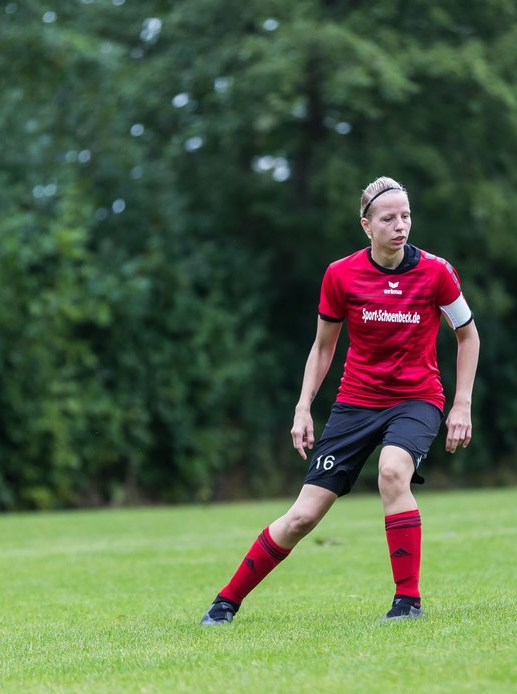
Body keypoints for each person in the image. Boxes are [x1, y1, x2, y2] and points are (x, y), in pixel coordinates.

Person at [199, 176, 480, 624]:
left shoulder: (436, 271)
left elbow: (467, 334)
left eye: (405, 216)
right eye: (388, 218)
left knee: (392, 472)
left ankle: (407, 602)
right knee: (303, 516)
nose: (400, 226)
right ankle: (225, 602)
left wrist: (461, 404)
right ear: (366, 225)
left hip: (416, 399)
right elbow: (323, 347)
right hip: (355, 404)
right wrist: (303, 406)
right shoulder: (341, 274)